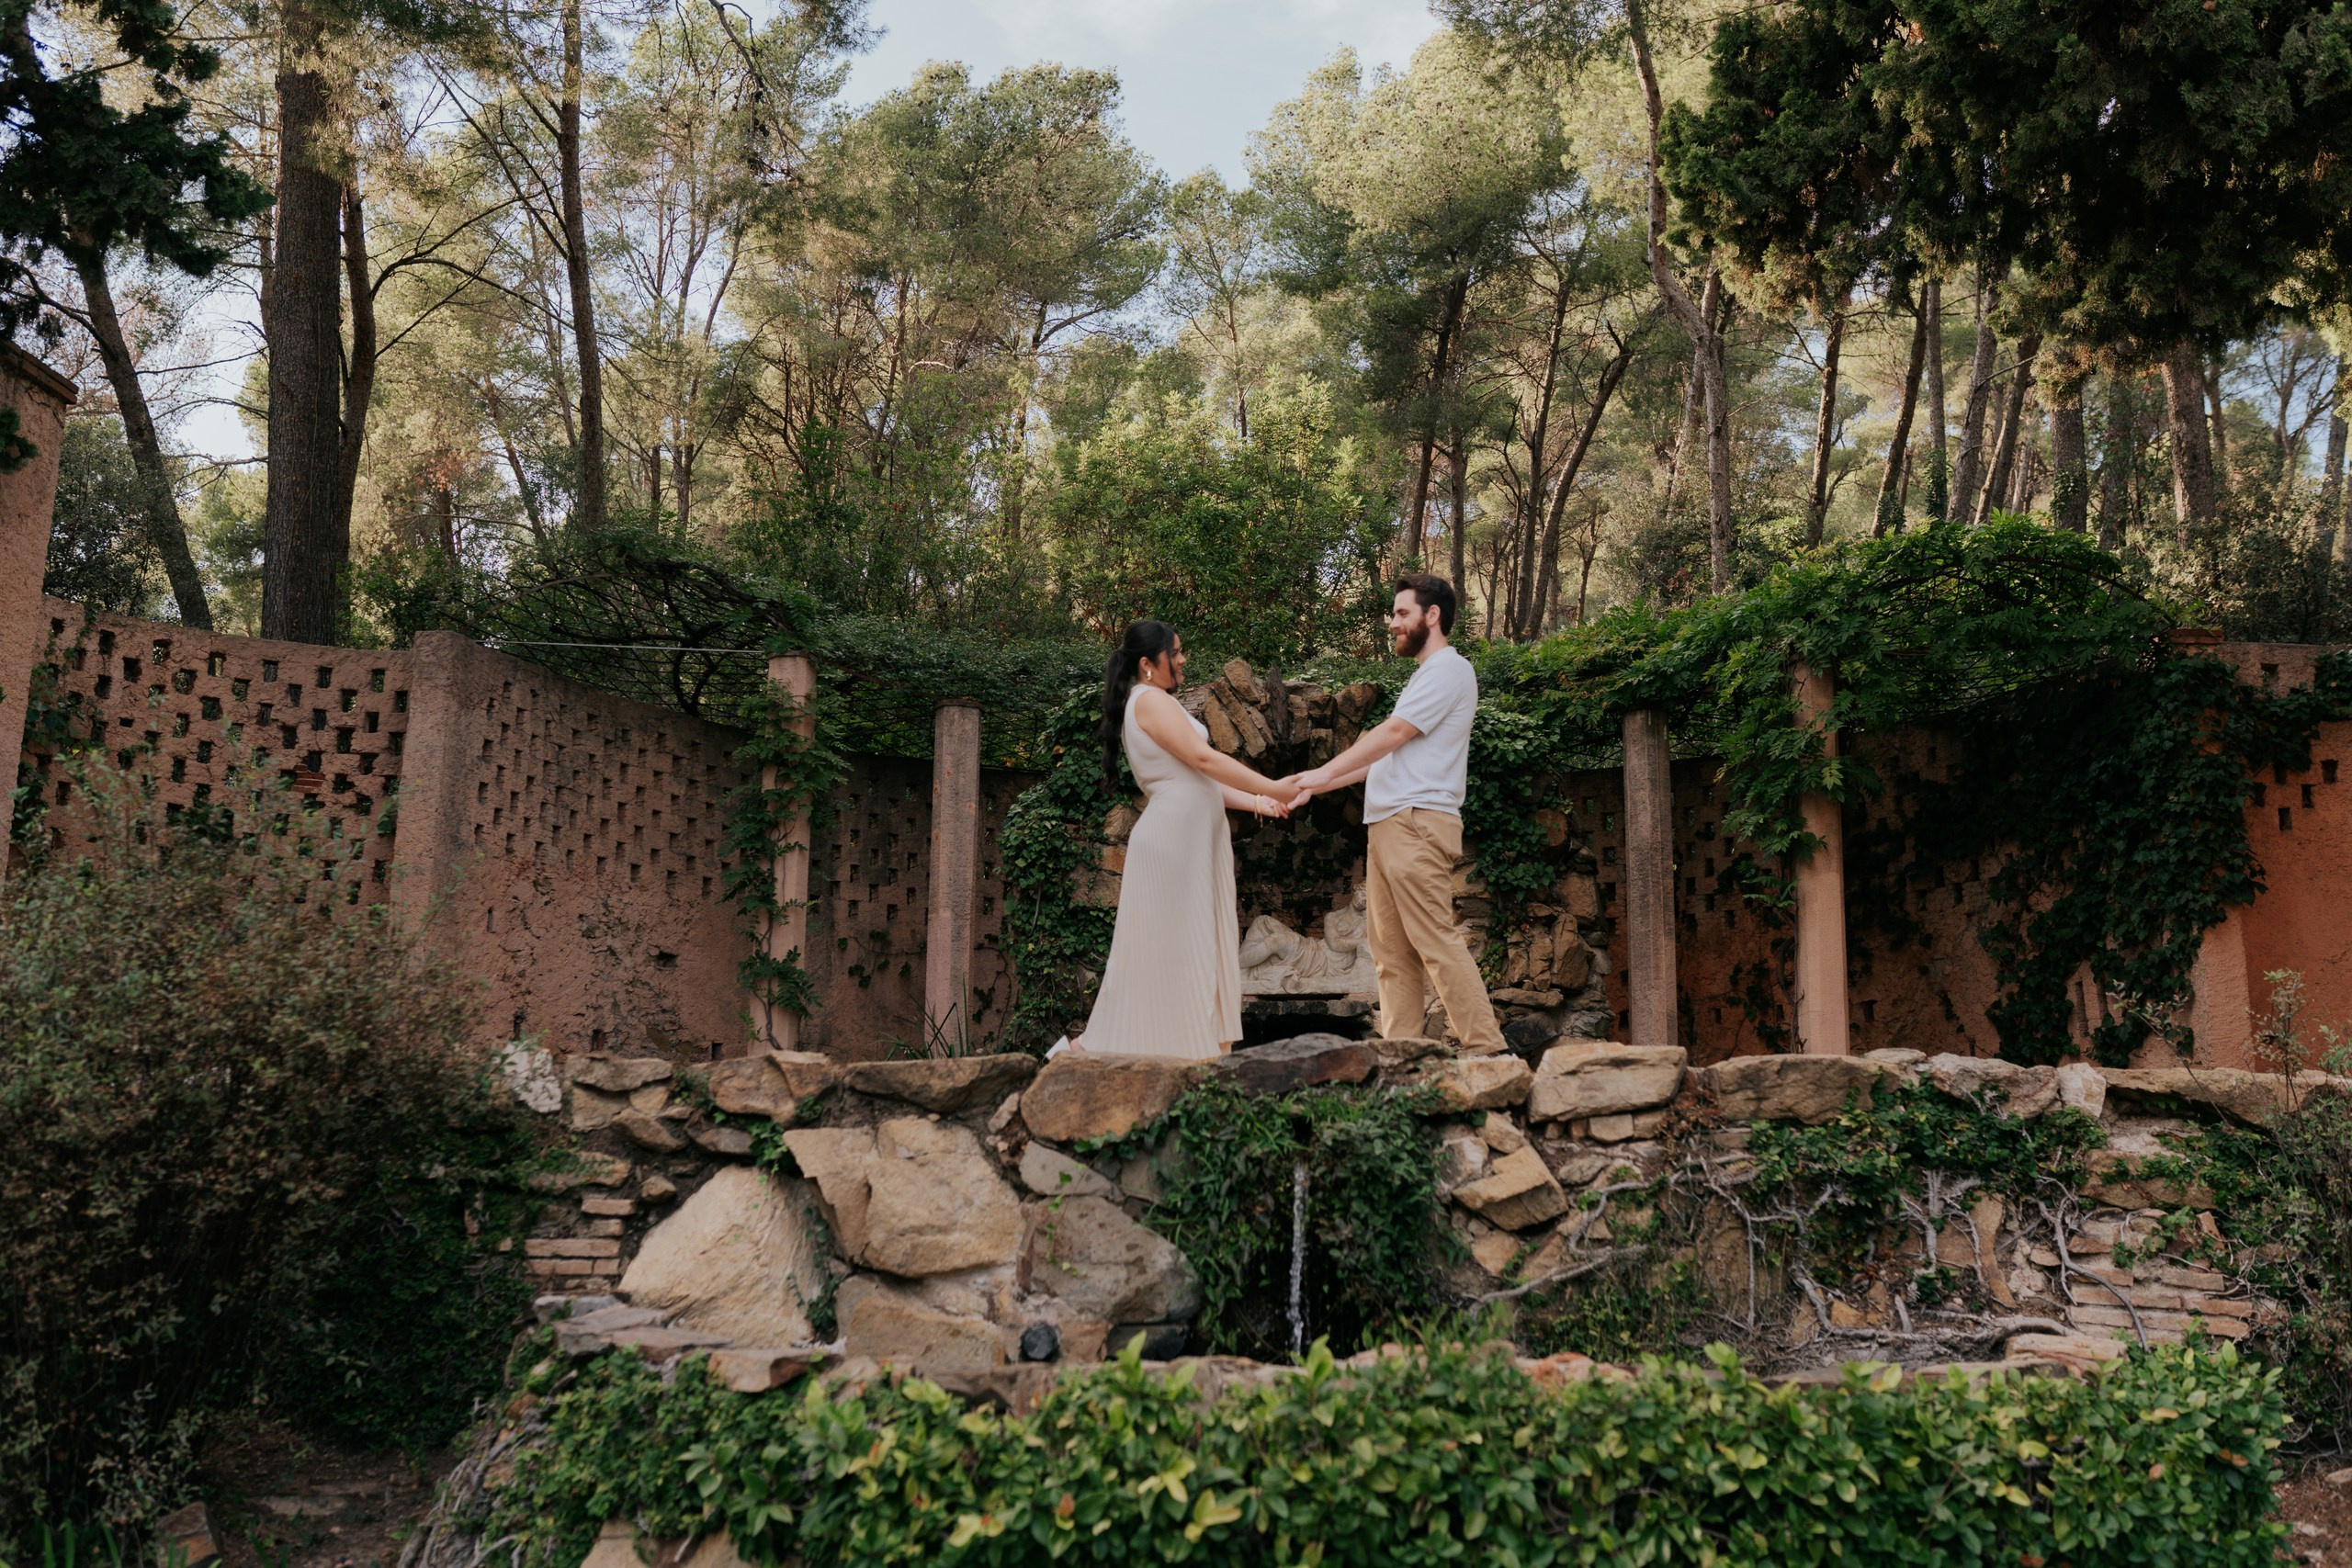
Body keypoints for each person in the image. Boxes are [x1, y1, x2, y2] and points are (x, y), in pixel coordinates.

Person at [1283, 574, 1506, 1055]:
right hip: (1387, 825)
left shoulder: (1450, 668)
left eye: (1402, 613)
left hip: (1417, 821)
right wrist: (1309, 787)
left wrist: (1318, 777)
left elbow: (1390, 735)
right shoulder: (1423, 677)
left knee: (1434, 939)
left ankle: (1490, 1051)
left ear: (1433, 615)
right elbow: (1377, 757)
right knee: (1390, 956)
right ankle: (1400, 1056)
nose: (1393, 623)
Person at [1073, 620, 1301, 1059]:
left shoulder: (1155, 701)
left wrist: (1261, 803)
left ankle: (1188, 1048)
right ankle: (1104, 1051)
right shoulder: (1150, 701)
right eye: (1174, 653)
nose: (1182, 659)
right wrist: (1273, 787)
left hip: (1189, 839)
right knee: (1167, 948)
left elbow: (1198, 780)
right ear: (1147, 664)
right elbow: (1203, 759)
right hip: (1173, 842)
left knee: (1184, 945)